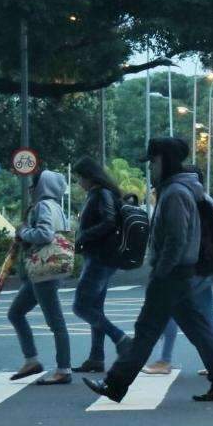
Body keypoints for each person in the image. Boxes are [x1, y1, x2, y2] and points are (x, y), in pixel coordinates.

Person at [83, 137, 213, 402]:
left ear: (164, 160)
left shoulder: (176, 193)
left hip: (172, 273)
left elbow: (176, 239)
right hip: (181, 272)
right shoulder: (179, 189)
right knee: (197, 328)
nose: (150, 168)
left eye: (152, 161)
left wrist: (161, 271)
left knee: (146, 330)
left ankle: (115, 384)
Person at [143, 165, 213, 377]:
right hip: (207, 263)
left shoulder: (182, 197)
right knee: (207, 314)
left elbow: (178, 236)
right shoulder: (206, 200)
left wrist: (165, 266)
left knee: (170, 311)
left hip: (190, 266)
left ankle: (164, 360)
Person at [7, 170, 72, 385]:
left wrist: (23, 232)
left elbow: (45, 234)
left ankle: (63, 369)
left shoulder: (43, 206)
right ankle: (32, 360)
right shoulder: (57, 207)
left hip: (44, 270)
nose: (30, 190)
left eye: (33, 186)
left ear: (41, 187)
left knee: (56, 322)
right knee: (16, 313)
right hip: (46, 270)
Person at [70, 156, 131, 373]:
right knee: (95, 308)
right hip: (99, 257)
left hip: (100, 258)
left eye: (80, 178)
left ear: (89, 176)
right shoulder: (98, 193)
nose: (79, 183)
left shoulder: (102, 194)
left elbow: (109, 221)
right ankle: (96, 357)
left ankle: (121, 339)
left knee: (81, 306)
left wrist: (83, 236)